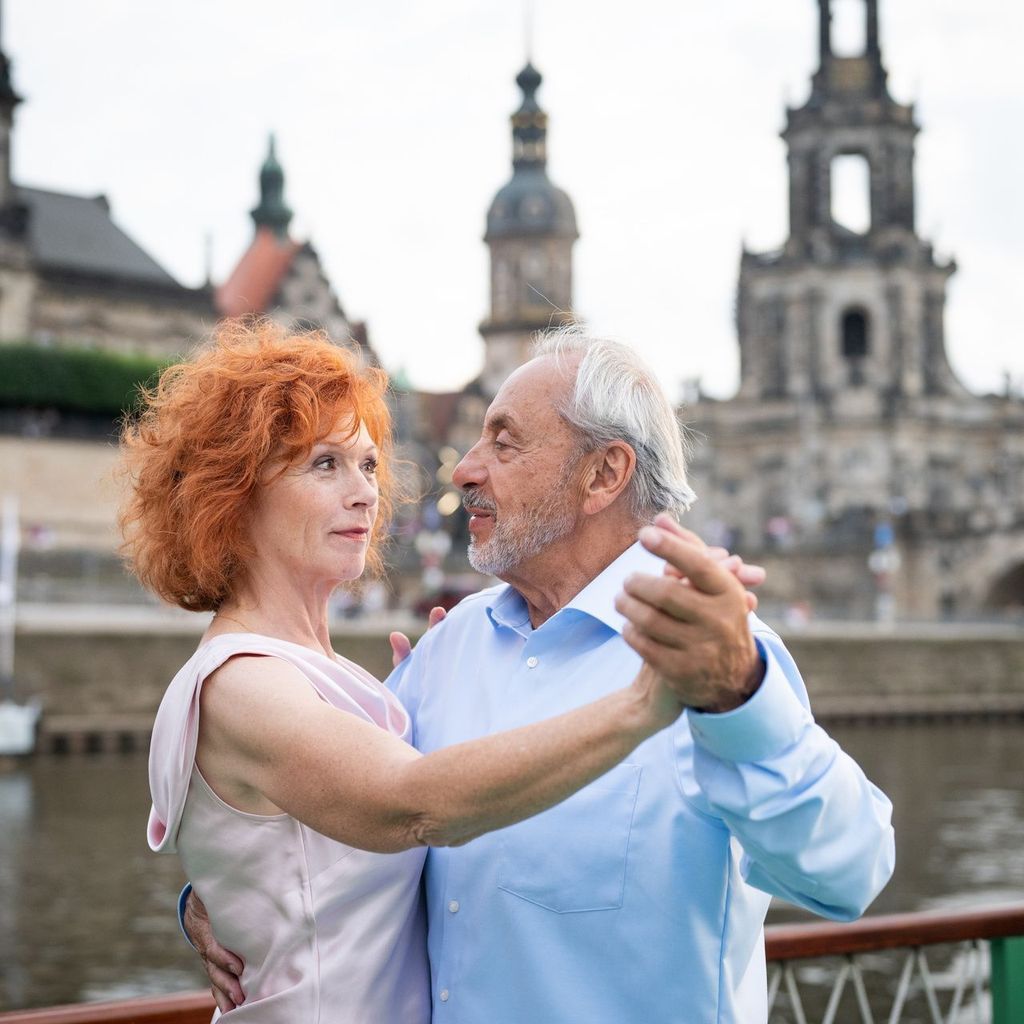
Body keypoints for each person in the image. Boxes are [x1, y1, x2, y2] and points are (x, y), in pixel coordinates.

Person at [189, 326, 895, 1023]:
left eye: (504, 442)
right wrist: (223, 891)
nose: (464, 470)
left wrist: (741, 694)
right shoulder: (450, 648)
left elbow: (849, 874)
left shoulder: (714, 660)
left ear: (603, 475)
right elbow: (348, 815)